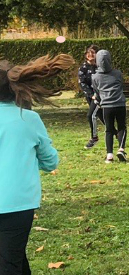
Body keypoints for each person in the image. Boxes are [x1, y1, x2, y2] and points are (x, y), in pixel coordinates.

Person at [0, 54, 72, 274]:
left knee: (13, 257)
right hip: (17, 203)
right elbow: (50, 161)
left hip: (15, 204)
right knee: (10, 260)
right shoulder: (28, 119)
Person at [91, 50, 128, 163]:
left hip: (107, 106)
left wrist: (98, 97)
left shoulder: (95, 77)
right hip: (120, 104)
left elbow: (96, 91)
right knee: (122, 127)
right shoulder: (117, 73)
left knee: (109, 130)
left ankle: (109, 156)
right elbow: (121, 85)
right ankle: (121, 149)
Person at [78, 44, 103, 149]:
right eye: (88, 53)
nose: (90, 55)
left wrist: (98, 94)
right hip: (90, 96)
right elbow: (82, 83)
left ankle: (94, 138)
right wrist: (91, 95)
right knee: (102, 116)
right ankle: (116, 133)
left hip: (100, 96)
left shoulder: (100, 67)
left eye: (93, 53)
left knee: (91, 115)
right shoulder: (83, 68)